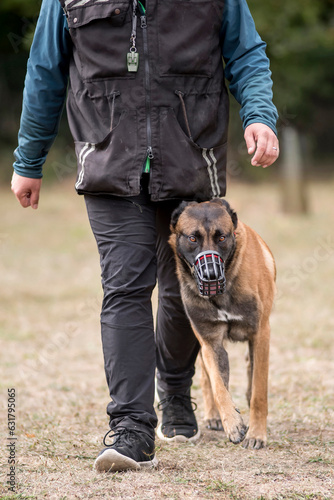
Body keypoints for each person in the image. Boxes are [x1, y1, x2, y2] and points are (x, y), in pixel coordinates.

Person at [11, 0, 279, 472]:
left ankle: (175, 389)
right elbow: (46, 69)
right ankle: (132, 427)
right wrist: (28, 160)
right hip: (110, 161)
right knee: (125, 288)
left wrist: (259, 115)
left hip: (194, 161)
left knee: (185, 291)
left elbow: (246, 53)